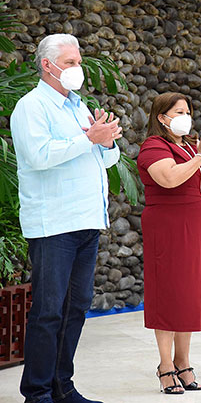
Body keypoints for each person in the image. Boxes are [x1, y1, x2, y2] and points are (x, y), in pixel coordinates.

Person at [11, 34, 122, 403]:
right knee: (48, 311)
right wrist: (90, 138)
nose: (78, 69)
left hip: (87, 221)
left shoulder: (78, 106)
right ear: (48, 65)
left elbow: (105, 160)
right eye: (71, 62)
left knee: (75, 307)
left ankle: (63, 386)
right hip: (53, 225)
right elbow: (39, 156)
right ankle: (37, 392)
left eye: (77, 61)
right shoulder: (32, 107)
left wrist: (106, 143)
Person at [137, 92, 201, 394]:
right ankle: (165, 365)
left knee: (188, 294)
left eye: (187, 111)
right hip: (168, 230)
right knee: (168, 293)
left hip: (194, 230)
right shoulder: (154, 147)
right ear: (161, 118)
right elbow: (168, 178)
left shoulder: (193, 146)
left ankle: (183, 361)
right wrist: (199, 158)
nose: (185, 116)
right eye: (178, 111)